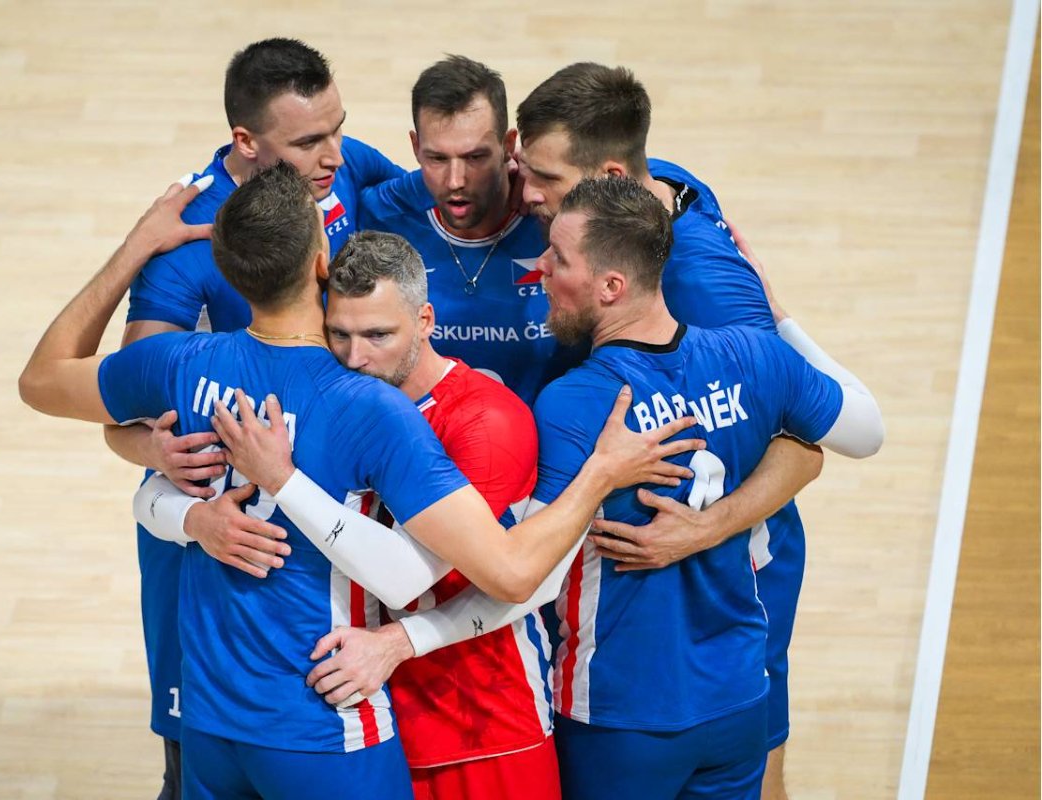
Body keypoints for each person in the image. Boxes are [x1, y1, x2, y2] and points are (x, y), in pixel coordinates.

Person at [18, 163, 694, 798]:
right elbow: (505, 574)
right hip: (322, 722)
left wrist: (136, 252)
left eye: (376, 335)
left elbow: (41, 381)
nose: (360, 353)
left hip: (214, 718)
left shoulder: (179, 362)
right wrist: (602, 471)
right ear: (322, 262)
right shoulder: (367, 406)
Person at [101, 37, 406, 797]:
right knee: (201, 758)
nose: (334, 155)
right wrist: (155, 456)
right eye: (308, 142)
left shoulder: (345, 167)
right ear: (247, 141)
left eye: (338, 128)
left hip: (328, 511)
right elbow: (129, 407)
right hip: (221, 535)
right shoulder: (188, 241)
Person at [514, 62, 821, 798]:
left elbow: (520, 573)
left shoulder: (593, 391)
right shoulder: (665, 201)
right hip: (728, 679)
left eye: (546, 180)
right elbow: (816, 436)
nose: (538, 264)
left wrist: (702, 526)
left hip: (636, 690)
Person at [531, 176, 882, 799]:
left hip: (620, 711)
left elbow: (526, 573)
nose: (540, 269)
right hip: (738, 697)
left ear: (612, 286)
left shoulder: (575, 404)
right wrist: (782, 319)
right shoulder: (755, 355)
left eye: (558, 258)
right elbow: (860, 434)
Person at [359, 55, 583, 404]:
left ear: (508, 146)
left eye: (475, 157)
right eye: (437, 158)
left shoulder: (561, 216)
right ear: (415, 147)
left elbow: (634, 176)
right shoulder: (381, 217)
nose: (455, 181)